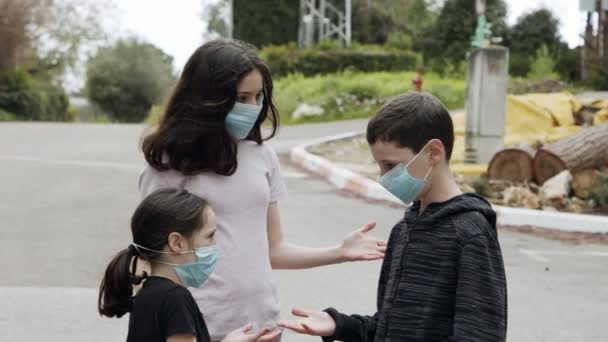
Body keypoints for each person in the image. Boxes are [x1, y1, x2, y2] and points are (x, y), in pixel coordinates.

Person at [139, 39, 387, 341]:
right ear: (207, 98)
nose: (253, 108)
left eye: (258, 97)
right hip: (197, 330)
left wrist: (339, 253)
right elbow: (156, 262)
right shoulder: (167, 165)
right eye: (242, 97)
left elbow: (274, 250)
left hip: (262, 325)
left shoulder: (261, 156)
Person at [278, 92, 508, 342]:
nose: (383, 177)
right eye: (379, 166)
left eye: (390, 166)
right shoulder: (404, 231)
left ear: (433, 152)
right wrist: (340, 325)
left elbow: (481, 335)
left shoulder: (470, 233)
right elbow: (387, 328)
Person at [98, 188, 281, 342]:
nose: (214, 245)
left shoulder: (147, 293)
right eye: (209, 236)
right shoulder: (176, 299)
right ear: (177, 243)